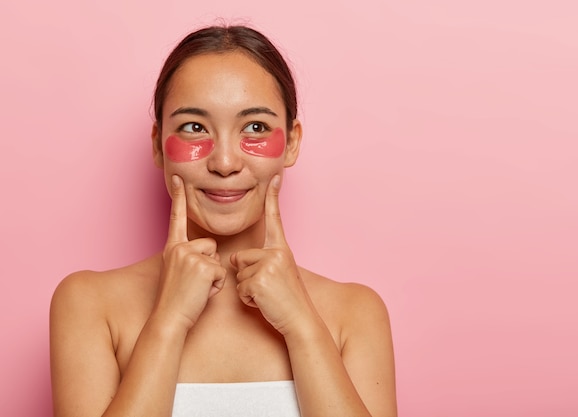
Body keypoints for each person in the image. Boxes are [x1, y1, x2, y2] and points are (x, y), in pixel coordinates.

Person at [50, 24, 397, 417]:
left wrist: (303, 325)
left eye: (255, 127)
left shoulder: (356, 313)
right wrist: (169, 321)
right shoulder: (88, 305)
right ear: (157, 145)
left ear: (293, 142)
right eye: (194, 128)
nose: (225, 163)